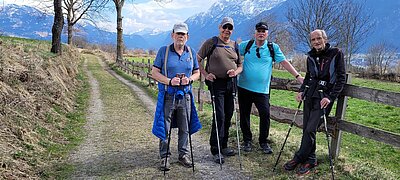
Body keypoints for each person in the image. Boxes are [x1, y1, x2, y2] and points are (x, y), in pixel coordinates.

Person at [283, 29, 346, 175]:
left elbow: (341, 78)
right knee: (306, 128)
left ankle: (300, 156)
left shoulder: (336, 53)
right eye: (313, 40)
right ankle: (310, 159)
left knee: (311, 128)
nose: (316, 42)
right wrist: (302, 91)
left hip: (324, 98)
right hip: (310, 96)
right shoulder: (310, 56)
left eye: (319, 38)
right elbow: (309, 76)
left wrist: (330, 97)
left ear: (325, 39)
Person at [238, 21, 304, 154]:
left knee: (265, 115)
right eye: (259, 31)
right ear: (255, 32)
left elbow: (284, 62)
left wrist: (298, 76)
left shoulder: (272, 47)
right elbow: (231, 54)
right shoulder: (246, 45)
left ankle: (263, 142)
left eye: (264, 31)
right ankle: (247, 141)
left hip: (262, 90)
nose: (261, 33)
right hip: (244, 87)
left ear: (267, 33)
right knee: (244, 115)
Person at [151, 22, 201, 171]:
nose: (180, 36)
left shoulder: (191, 52)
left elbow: (197, 72)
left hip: (185, 96)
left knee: (185, 127)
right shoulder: (164, 51)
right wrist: (169, 81)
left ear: (187, 36)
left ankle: (183, 155)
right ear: (172, 35)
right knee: (165, 126)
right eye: (178, 33)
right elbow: (154, 73)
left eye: (183, 34)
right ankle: (165, 157)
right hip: (168, 95)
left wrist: (190, 79)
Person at [197, 17, 242, 164]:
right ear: (219, 27)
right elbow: (197, 60)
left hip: (231, 83)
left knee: (228, 115)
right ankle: (215, 149)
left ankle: (224, 145)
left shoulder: (235, 45)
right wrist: (205, 74)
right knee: (220, 116)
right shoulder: (212, 42)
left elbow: (241, 65)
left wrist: (235, 72)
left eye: (230, 28)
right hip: (216, 84)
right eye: (224, 27)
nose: (227, 30)